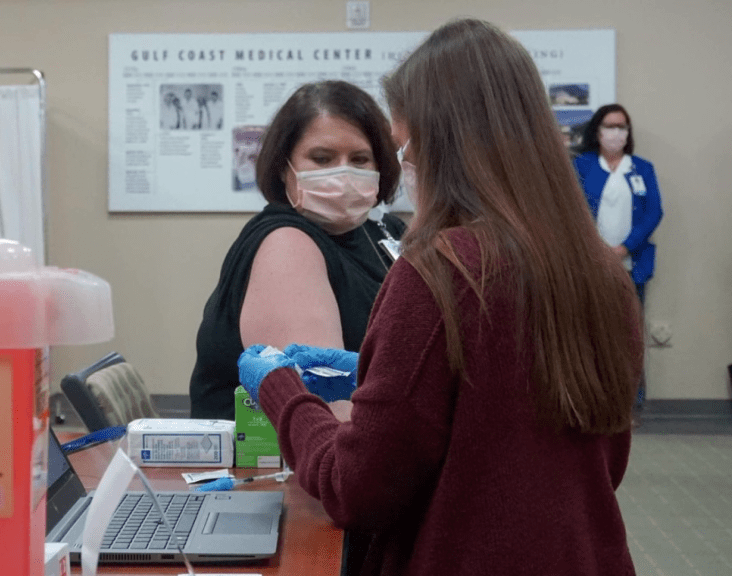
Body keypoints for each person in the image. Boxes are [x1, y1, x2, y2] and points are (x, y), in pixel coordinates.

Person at [237, 19, 641, 575]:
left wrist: (282, 391)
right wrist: (381, 376)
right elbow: (592, 457)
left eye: (402, 144)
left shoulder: (441, 271)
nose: (404, 165)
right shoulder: (601, 272)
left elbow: (357, 489)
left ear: (436, 144)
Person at [189, 80, 406, 421]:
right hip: (271, 466)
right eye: (322, 158)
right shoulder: (286, 245)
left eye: (360, 159)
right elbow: (328, 417)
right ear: (283, 167)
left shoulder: (381, 231)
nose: (343, 173)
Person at [573, 104, 663, 307]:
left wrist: (624, 248)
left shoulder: (642, 168)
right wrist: (595, 249)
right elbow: (571, 212)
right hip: (591, 263)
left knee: (631, 327)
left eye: (621, 127)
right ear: (597, 131)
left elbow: (654, 212)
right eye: (609, 126)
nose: (616, 133)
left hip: (632, 263)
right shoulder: (582, 166)